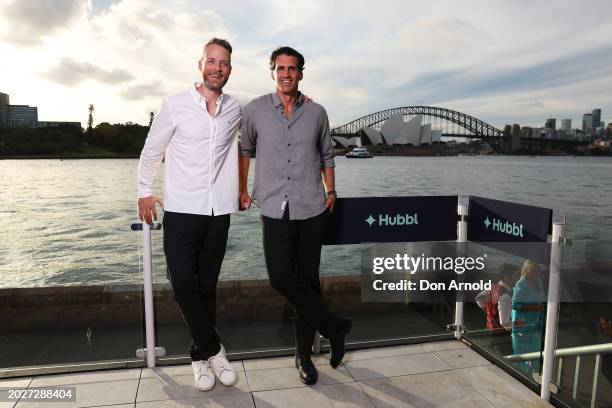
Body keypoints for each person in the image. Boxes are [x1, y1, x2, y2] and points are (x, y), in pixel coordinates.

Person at [238, 46, 351, 385]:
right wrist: (242, 188)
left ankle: (303, 356)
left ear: (301, 73)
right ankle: (335, 326)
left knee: (308, 283)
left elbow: (327, 156)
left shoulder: (317, 112)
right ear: (272, 72)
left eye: (293, 68)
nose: (286, 74)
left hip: (312, 207)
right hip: (274, 206)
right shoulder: (255, 110)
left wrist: (331, 191)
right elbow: (244, 150)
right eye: (281, 68)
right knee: (281, 278)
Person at [137, 38, 240, 392]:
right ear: (201, 64)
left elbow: (264, 121)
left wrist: (299, 101)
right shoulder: (176, 105)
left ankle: (200, 357)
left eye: (224, 62)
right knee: (183, 285)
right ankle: (213, 348)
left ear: (229, 69)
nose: (217, 67)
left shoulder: (235, 109)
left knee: (207, 287)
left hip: (218, 211)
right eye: (212, 61)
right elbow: (152, 150)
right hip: (181, 210)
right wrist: (144, 191)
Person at [511, 260, 546, 374]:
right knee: (521, 357)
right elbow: (515, 304)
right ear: (527, 271)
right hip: (522, 326)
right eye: (533, 271)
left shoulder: (539, 282)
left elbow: (541, 301)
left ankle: (535, 379)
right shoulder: (521, 284)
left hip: (536, 325)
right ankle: (521, 379)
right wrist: (535, 308)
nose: (536, 273)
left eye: (538, 270)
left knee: (536, 355)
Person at [475, 263, 521, 334]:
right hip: (500, 335)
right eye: (516, 275)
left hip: (489, 329)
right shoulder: (505, 296)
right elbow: (505, 324)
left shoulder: (492, 286)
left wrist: (490, 312)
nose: (519, 278)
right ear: (506, 277)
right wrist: (521, 324)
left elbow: (478, 299)